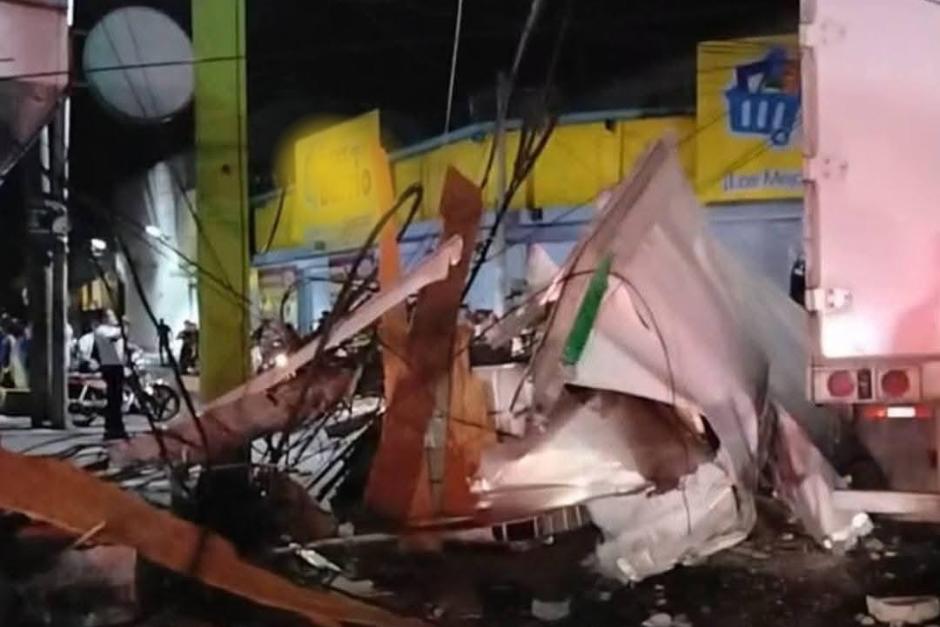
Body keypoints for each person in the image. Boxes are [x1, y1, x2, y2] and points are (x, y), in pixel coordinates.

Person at [94, 309, 127, 440]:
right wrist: (124, 326)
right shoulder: (101, 330)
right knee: (114, 399)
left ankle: (116, 426)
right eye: (111, 315)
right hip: (110, 366)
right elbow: (115, 338)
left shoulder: (111, 330)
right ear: (104, 318)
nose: (113, 318)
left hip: (116, 366)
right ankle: (113, 428)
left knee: (116, 399)